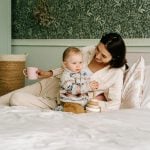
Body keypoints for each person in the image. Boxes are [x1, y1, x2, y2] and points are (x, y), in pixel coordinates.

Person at [10, 32, 128, 112]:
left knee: (16, 99)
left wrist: (94, 105)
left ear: (115, 58)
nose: (97, 55)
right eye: (98, 49)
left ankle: (54, 110)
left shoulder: (116, 73)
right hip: (53, 84)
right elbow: (67, 65)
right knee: (11, 99)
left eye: (103, 56)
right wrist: (48, 73)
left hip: (65, 103)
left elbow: (115, 104)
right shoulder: (88, 51)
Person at [58, 47, 98, 113]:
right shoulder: (66, 76)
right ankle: (62, 109)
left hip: (82, 102)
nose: (78, 66)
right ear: (65, 64)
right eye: (74, 63)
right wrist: (88, 86)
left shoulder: (81, 73)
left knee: (91, 109)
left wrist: (92, 84)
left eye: (80, 62)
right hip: (69, 101)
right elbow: (74, 89)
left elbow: (86, 82)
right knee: (78, 112)